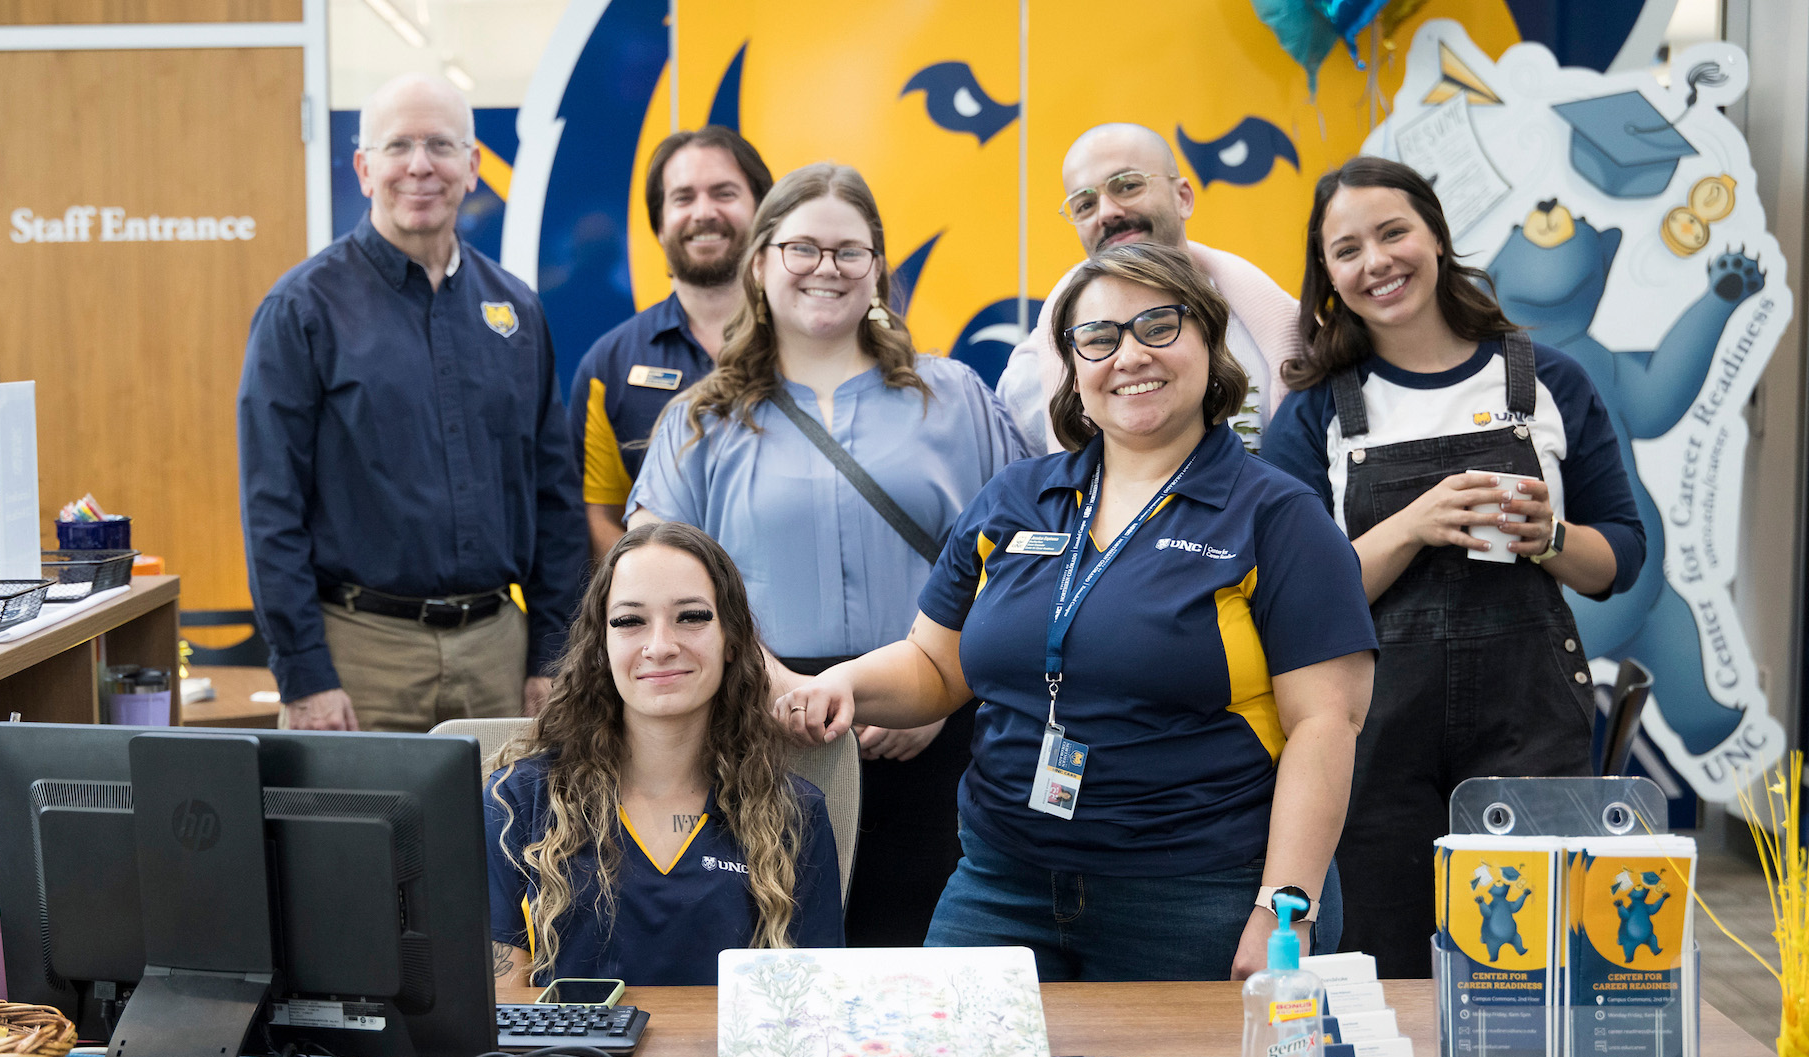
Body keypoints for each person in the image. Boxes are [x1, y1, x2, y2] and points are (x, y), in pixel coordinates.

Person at [779, 242, 1377, 981]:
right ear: (1070, 366)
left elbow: (1326, 725)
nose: (1129, 355)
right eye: (1098, 338)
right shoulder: (1015, 498)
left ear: (1210, 342)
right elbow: (937, 665)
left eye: (1159, 325)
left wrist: (1283, 909)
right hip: (1001, 884)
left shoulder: (1279, 517)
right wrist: (844, 685)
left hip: (1201, 897)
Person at [627, 162, 1030, 947]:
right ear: (761, 263)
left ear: (878, 267)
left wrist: (935, 687)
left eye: (850, 251)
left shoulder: (955, 398)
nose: (827, 269)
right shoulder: (701, 420)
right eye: (802, 249)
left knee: (925, 960)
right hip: (763, 731)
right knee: (781, 951)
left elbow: (1020, 562)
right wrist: (777, 688)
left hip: (938, 740)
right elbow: (651, 585)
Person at [1261, 157, 1645, 978]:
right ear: (1326, 275)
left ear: (1435, 236)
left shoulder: (1547, 382)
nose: (1377, 263)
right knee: (1379, 968)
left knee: (1527, 971)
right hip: (1369, 739)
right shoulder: (1318, 410)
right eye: (1347, 249)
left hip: (1530, 722)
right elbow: (1293, 605)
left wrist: (1550, 537)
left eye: (1393, 232)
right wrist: (1412, 525)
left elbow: (1619, 558)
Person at [238, 73, 585, 733]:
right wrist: (305, 674)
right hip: (361, 659)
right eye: (398, 147)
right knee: (353, 840)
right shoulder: (302, 310)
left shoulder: (517, 310)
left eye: (441, 146)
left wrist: (552, 655)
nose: (420, 166)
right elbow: (270, 509)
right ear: (365, 169)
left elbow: (555, 500)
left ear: (473, 167)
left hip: (499, 660)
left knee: (508, 837)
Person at [489, 520, 844, 988]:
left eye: (691, 617)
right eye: (629, 621)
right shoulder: (516, 801)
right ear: (601, 644)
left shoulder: (794, 814)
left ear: (733, 640)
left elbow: (811, 1009)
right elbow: (500, 1011)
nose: (660, 647)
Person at [1000, 123, 1300, 452]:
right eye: (1085, 204)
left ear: (1183, 197)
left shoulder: (1285, 336)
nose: (1108, 212)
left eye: (1127, 186)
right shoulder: (1032, 378)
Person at [569, 126, 774, 561]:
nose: (704, 212)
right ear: (659, 225)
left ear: (762, 214)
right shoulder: (610, 364)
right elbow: (598, 517)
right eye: (683, 198)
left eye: (724, 193)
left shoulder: (808, 346)